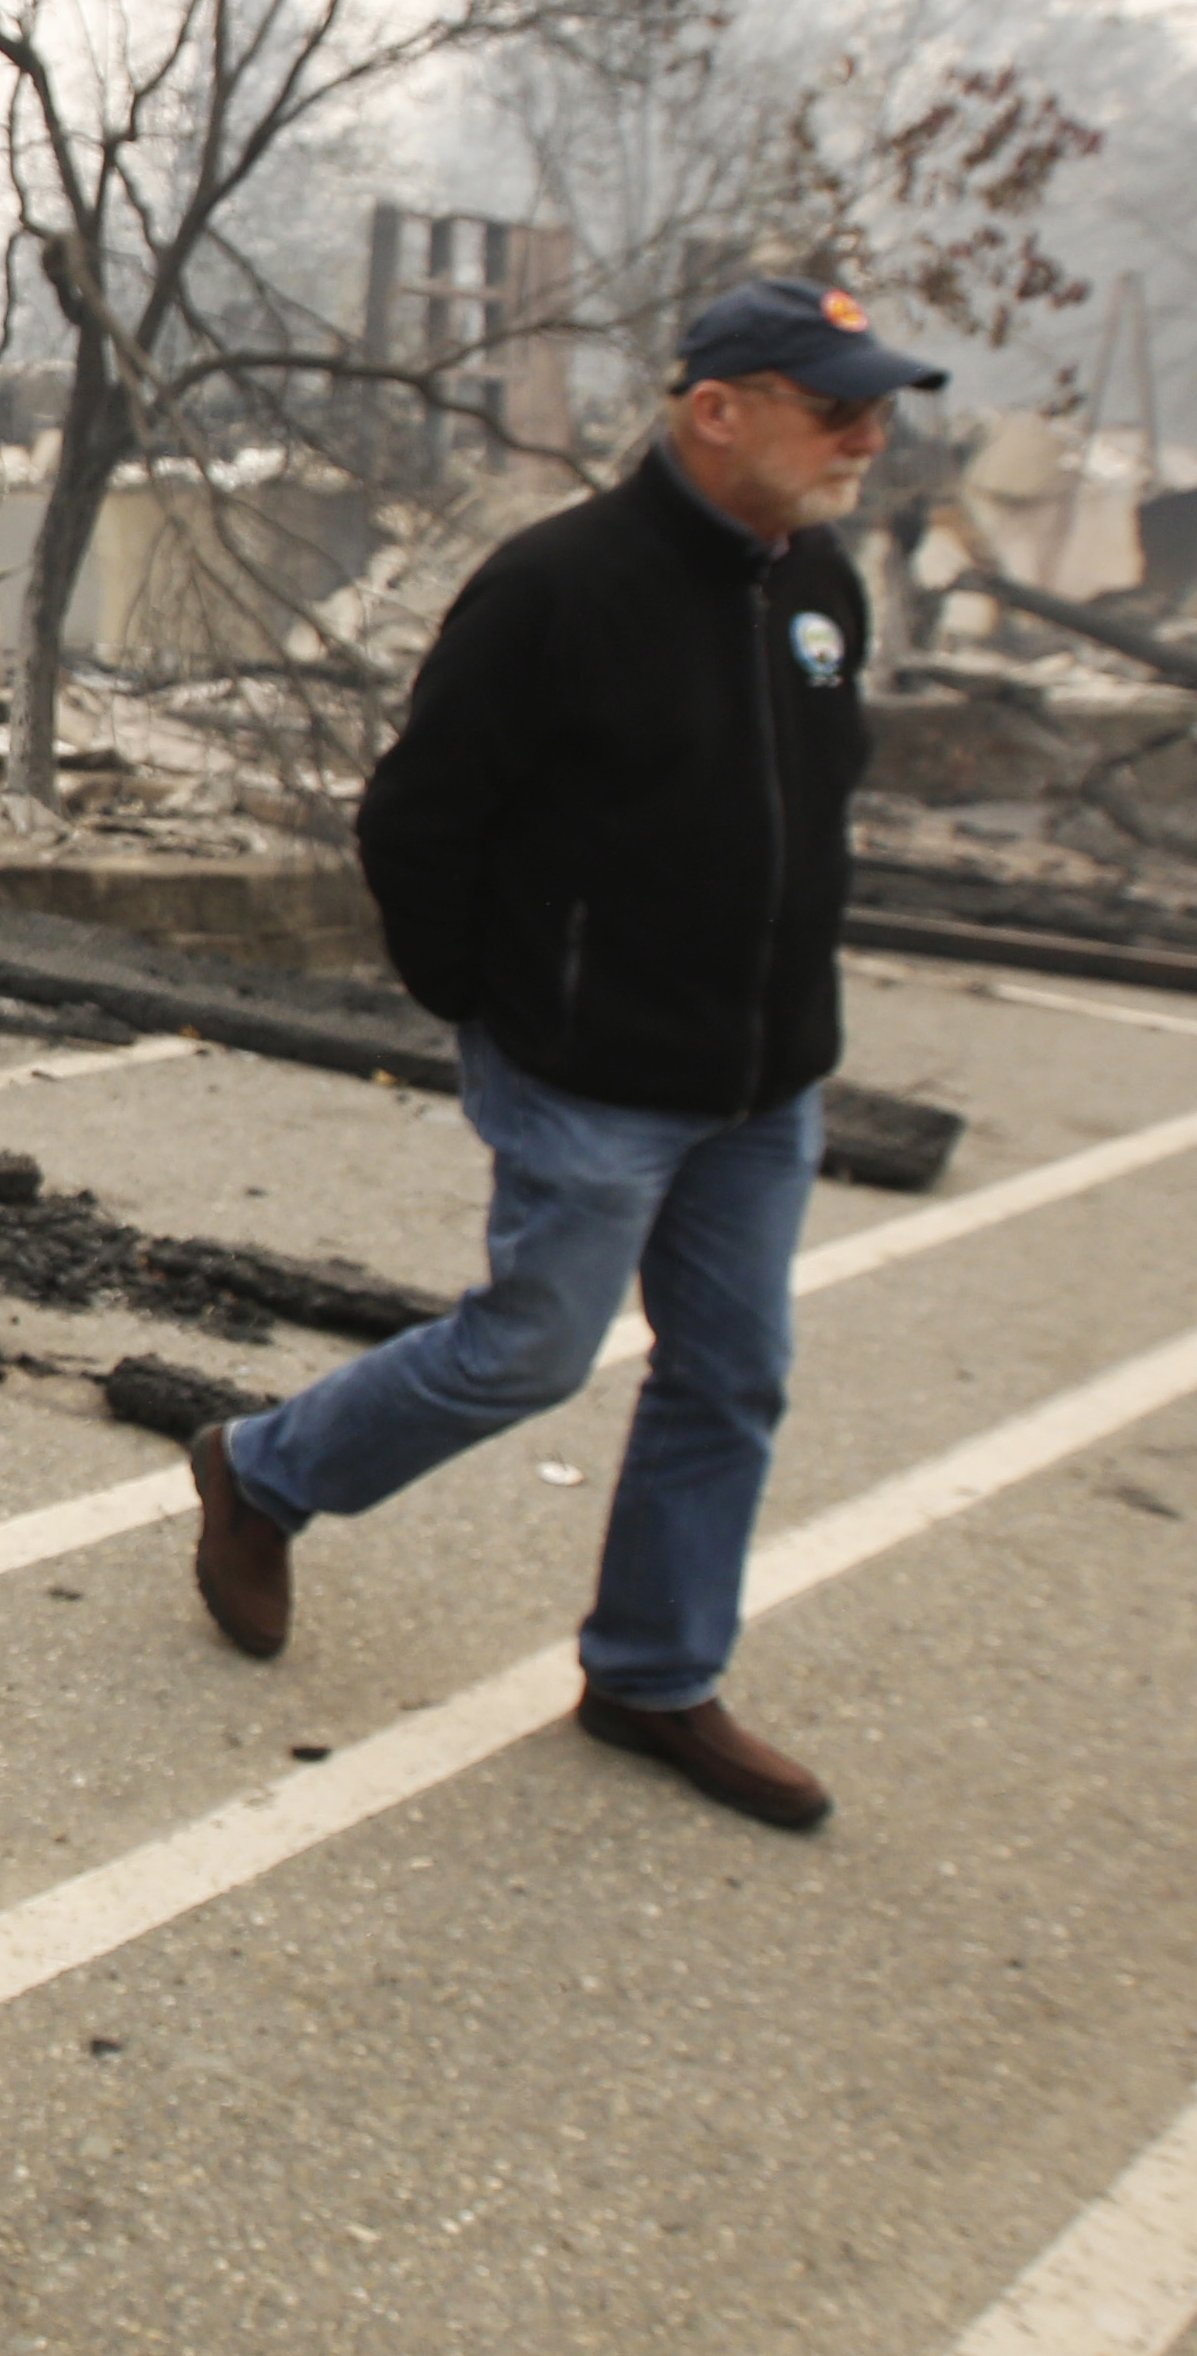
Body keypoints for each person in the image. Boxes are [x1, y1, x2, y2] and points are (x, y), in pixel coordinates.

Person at [187, 278, 933, 1831]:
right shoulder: (556, 586)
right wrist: (501, 1007)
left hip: (762, 1083)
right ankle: (263, 1473)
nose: (868, 433)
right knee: (529, 1348)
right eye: (834, 403)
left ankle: (653, 1673)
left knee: (731, 1375)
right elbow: (415, 818)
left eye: (876, 404)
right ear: (714, 407)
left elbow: (814, 803)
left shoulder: (821, 589)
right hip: (593, 1074)